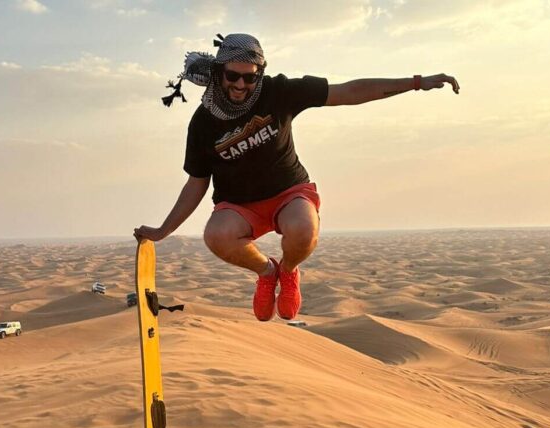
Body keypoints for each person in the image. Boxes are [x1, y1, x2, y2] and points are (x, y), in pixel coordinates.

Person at [134, 33, 459, 321]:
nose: (240, 85)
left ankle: (288, 272)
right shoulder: (204, 122)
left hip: (289, 192)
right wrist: (164, 230)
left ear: (259, 74)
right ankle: (267, 272)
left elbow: (348, 91)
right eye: (233, 76)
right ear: (219, 73)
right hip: (238, 205)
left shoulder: (279, 91)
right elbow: (196, 183)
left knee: (304, 230)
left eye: (249, 78)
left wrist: (416, 82)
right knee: (215, 236)